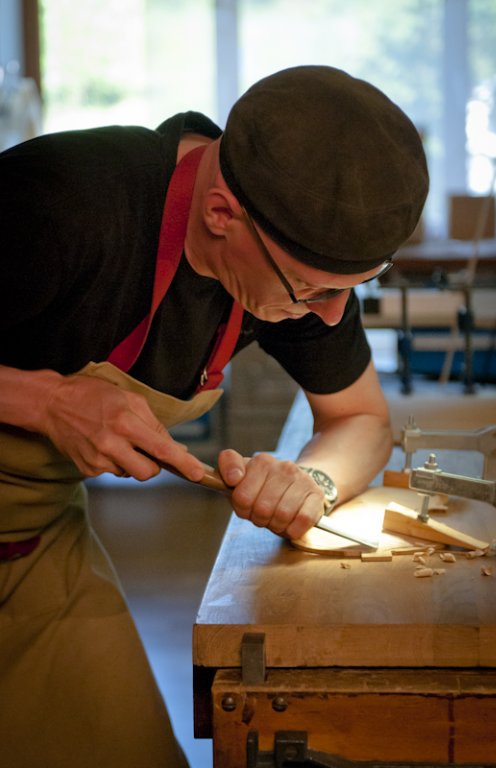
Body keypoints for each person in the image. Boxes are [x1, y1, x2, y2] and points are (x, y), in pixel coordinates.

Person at [0, 65, 428, 767]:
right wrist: (44, 401)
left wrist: (310, 483)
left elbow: (361, 420)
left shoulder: (296, 247)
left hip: (31, 543)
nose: (326, 316)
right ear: (220, 213)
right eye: (312, 290)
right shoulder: (63, 202)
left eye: (346, 292)